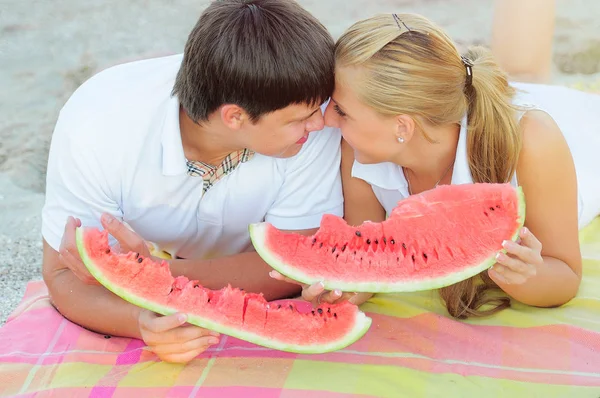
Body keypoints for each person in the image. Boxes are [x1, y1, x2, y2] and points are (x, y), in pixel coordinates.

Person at [41, 0, 345, 363]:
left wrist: (144, 276)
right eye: (302, 118)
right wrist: (141, 321)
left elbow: (297, 264)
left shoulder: (310, 116)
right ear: (234, 116)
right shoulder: (97, 123)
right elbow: (61, 273)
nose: (321, 123)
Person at [279, 12, 600, 319]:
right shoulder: (356, 147)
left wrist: (529, 278)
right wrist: (343, 288)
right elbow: (366, 256)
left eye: (342, 110)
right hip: (492, 103)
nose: (327, 120)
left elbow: (566, 274)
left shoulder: (532, 141)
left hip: (586, 126)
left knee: (528, 75)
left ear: (402, 128)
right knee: (524, 74)